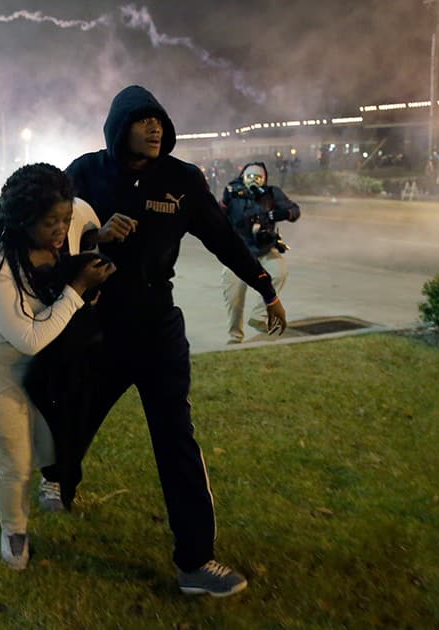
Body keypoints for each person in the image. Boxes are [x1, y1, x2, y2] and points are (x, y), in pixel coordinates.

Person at [64, 85, 287, 597]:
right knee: (78, 412)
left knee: (176, 437)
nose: (155, 128)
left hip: (158, 325)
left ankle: (195, 560)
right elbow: (51, 236)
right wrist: (96, 239)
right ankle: (59, 475)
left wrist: (264, 286)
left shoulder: (181, 180)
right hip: (100, 324)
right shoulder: (85, 173)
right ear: (120, 127)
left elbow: (222, 237)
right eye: (143, 121)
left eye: (159, 120)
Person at [0, 163, 115, 570]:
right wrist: (77, 291)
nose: (61, 228)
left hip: (39, 355)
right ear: (24, 218)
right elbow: (27, 337)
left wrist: (99, 241)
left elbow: (86, 230)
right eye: (50, 222)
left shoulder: (73, 217)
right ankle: (14, 530)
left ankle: (52, 482)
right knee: (15, 456)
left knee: (53, 437)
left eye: (64, 217)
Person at [221, 161, 301, 343]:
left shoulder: (272, 193)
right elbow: (216, 216)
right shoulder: (233, 193)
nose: (254, 182)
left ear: (264, 180)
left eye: (258, 178)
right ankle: (235, 337)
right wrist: (225, 203)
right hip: (238, 253)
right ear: (243, 177)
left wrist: (280, 214)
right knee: (234, 298)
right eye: (250, 177)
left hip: (264, 249)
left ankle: (259, 316)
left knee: (279, 272)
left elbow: (294, 210)